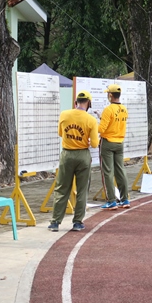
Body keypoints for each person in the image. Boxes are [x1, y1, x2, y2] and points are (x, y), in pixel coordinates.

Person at [48, 91, 99, 232]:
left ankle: (55, 222)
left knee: (62, 188)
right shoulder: (91, 120)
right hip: (83, 155)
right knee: (82, 189)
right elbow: (94, 144)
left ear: (76, 102)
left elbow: (60, 133)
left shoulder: (64, 115)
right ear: (88, 103)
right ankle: (77, 222)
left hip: (67, 154)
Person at [97, 84, 130, 210]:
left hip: (108, 142)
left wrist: (96, 120)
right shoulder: (124, 109)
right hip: (119, 142)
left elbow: (101, 129)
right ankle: (125, 199)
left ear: (110, 95)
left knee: (108, 172)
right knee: (120, 170)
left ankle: (111, 200)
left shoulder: (108, 109)